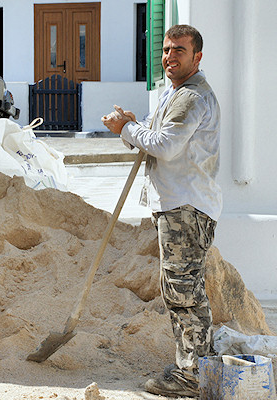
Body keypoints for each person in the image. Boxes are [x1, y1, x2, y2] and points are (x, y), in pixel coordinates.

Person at [102, 24, 221, 397]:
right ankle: (198, 364)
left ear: (197, 57)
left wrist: (126, 128)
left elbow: (165, 146)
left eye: (179, 51)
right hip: (179, 206)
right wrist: (135, 126)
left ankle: (192, 375)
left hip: (186, 208)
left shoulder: (192, 96)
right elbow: (158, 138)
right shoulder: (177, 93)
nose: (170, 57)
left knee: (183, 292)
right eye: (167, 50)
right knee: (182, 291)